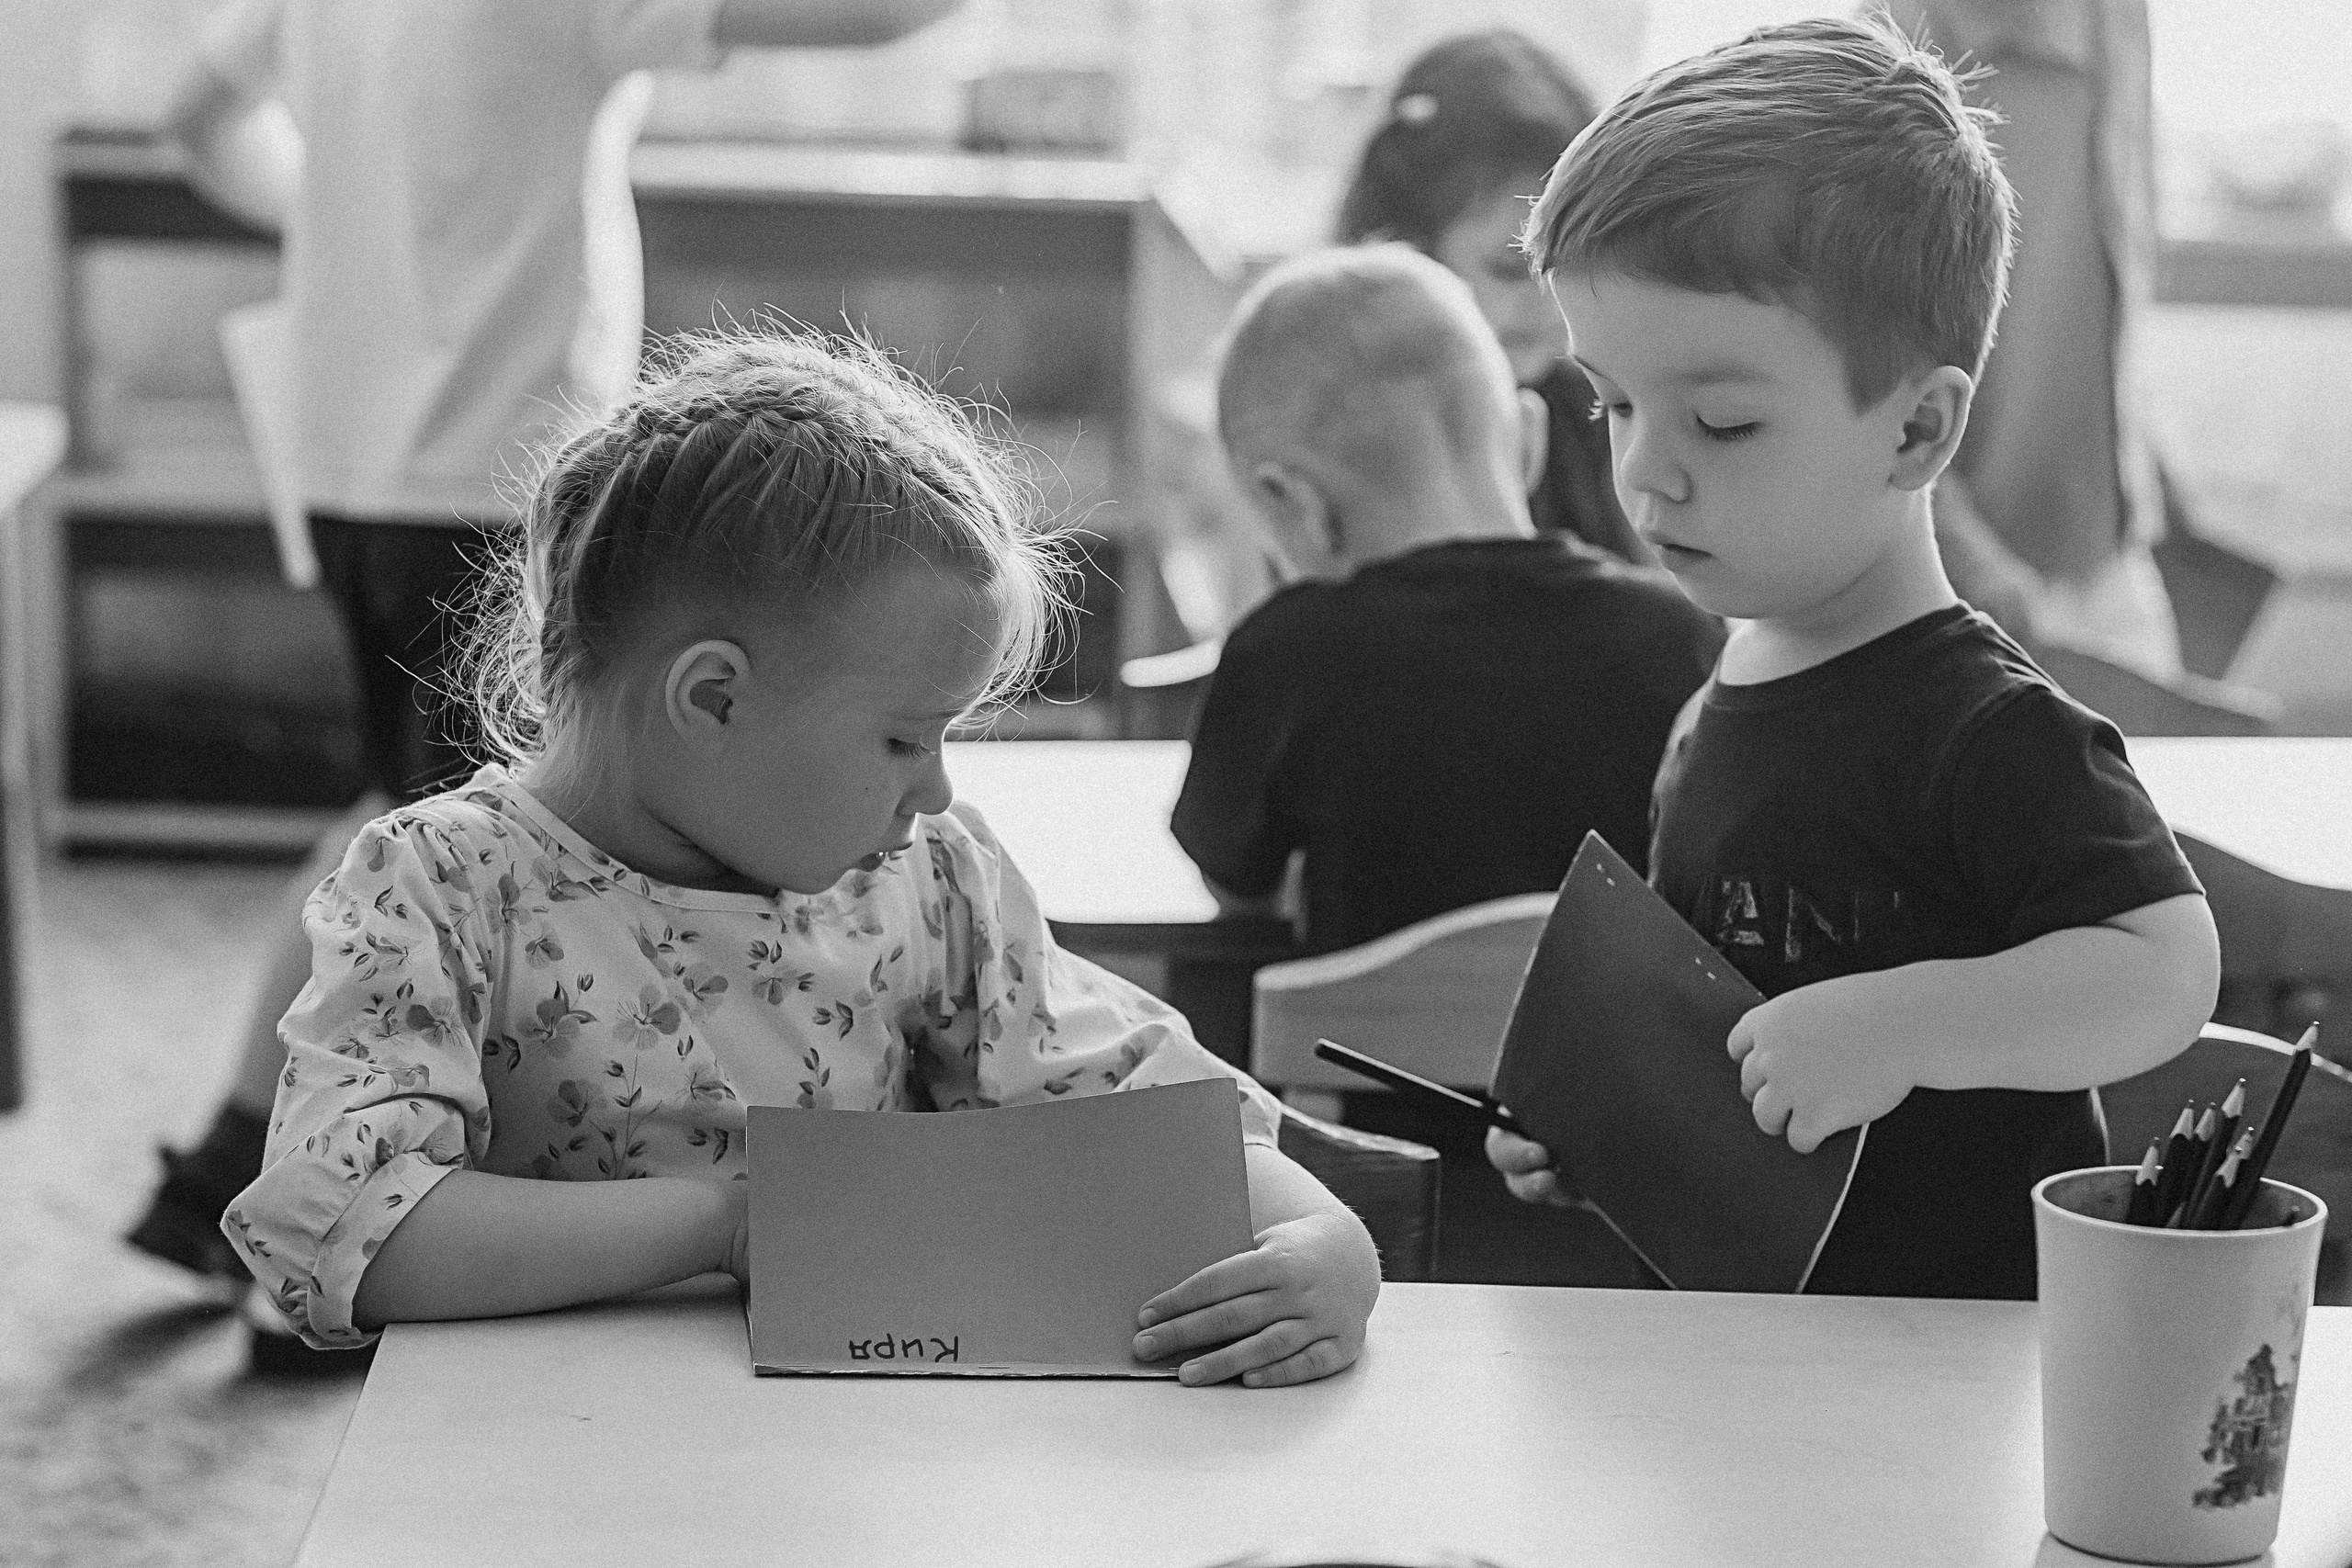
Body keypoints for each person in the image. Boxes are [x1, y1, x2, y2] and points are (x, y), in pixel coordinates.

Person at [218, 330, 1382, 1386]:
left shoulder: (923, 880)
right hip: (531, 1462)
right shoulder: (438, 889)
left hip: (843, 1464)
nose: (936, 790)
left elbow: (1141, 1098)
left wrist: (1323, 1238)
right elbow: (349, 1234)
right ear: (713, 700)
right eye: (902, 740)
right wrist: (726, 1222)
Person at [126, 0, 967, 1332]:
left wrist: (349, 229)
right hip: (496, 468)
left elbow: (192, 117)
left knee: (403, 818)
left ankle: (239, 1161)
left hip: (344, 454)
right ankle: (313, 1203)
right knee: (484, 857)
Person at [1485, 17, 2221, 1299]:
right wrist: (1607, 1127)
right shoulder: (1714, 700)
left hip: (1952, 1356)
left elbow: (2165, 968)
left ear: (1917, 430)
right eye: (1614, 403)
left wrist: (1906, 1025)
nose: (1645, 469)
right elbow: (1723, 1040)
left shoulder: (1983, 727)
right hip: (1748, 1356)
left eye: (1722, 420)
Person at [1172, 244, 1720, 956]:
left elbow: (1234, 891)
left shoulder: (1284, 654)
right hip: (1617, 1032)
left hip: (1362, 1037)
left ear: (1293, 503)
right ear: (1527, 440)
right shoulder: (1679, 634)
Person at [1886, 0, 2185, 676]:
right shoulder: (1895, 52)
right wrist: (1980, 572)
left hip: (2110, 559)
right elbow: (1871, 378)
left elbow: (2084, 285)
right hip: (1969, 575)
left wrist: (2133, 470)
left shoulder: (2115, 22)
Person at [1335, 30, 1648, 565]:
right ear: (1409, 256)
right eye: (1509, 270)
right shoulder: (1343, 439)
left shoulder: (1593, 412)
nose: (1550, 303)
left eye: (1574, 268)